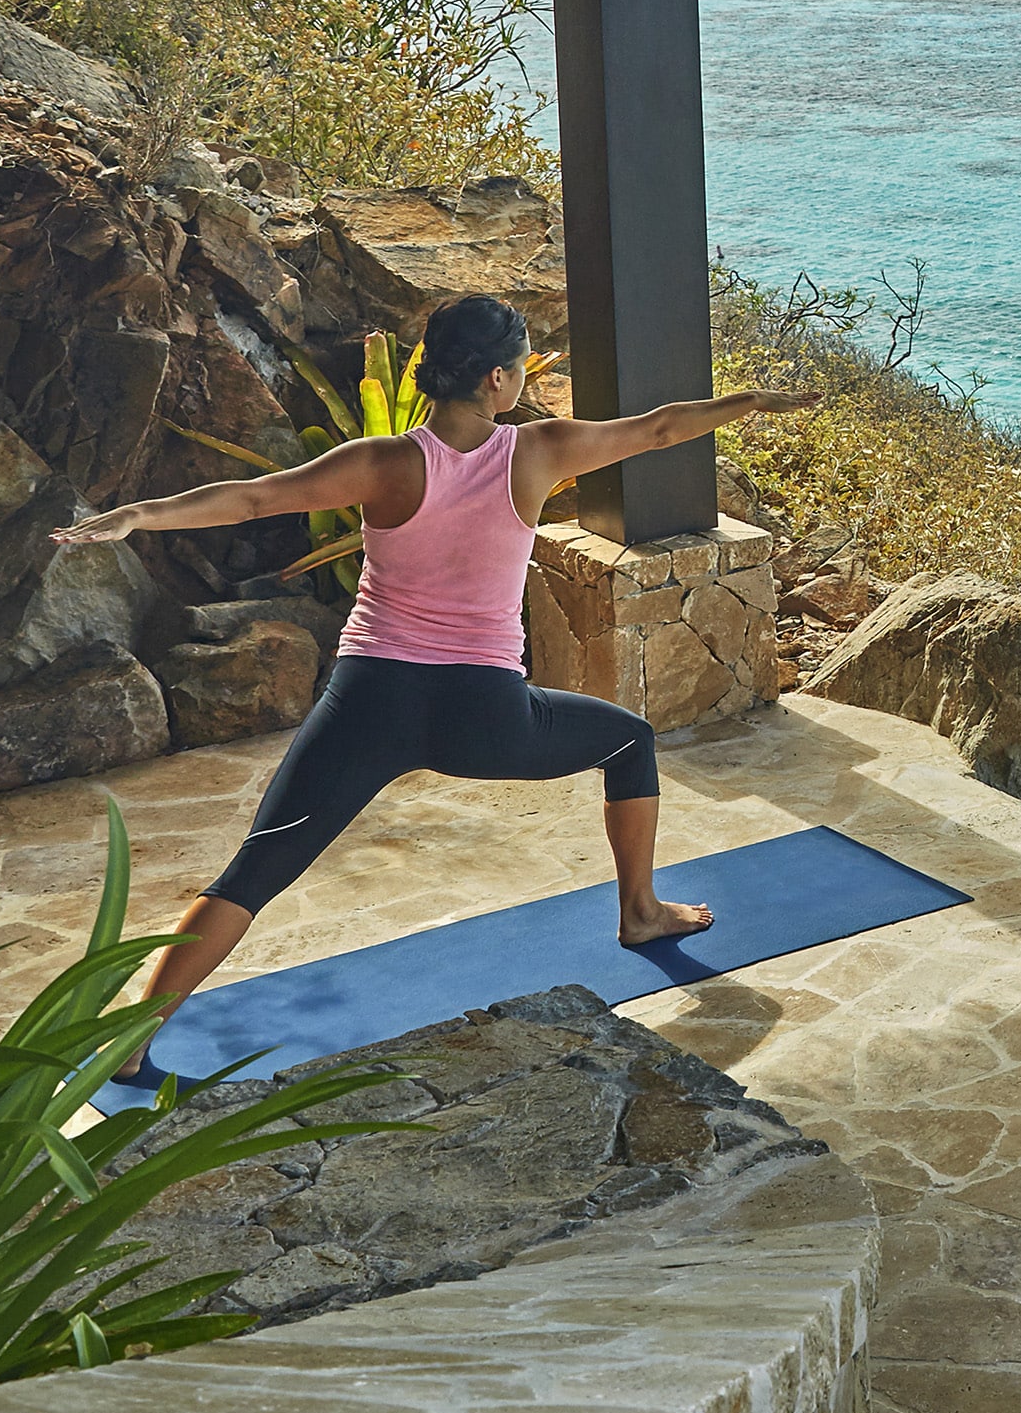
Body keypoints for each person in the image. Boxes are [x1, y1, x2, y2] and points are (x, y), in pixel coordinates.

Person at [48, 292, 817, 1063]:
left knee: (253, 871)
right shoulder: (535, 452)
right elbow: (657, 429)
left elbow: (252, 496)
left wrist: (139, 515)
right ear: (495, 379)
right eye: (518, 368)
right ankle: (641, 911)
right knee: (629, 741)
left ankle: (131, 1038)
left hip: (367, 704)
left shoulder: (381, 462)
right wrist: (748, 401)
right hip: (483, 714)